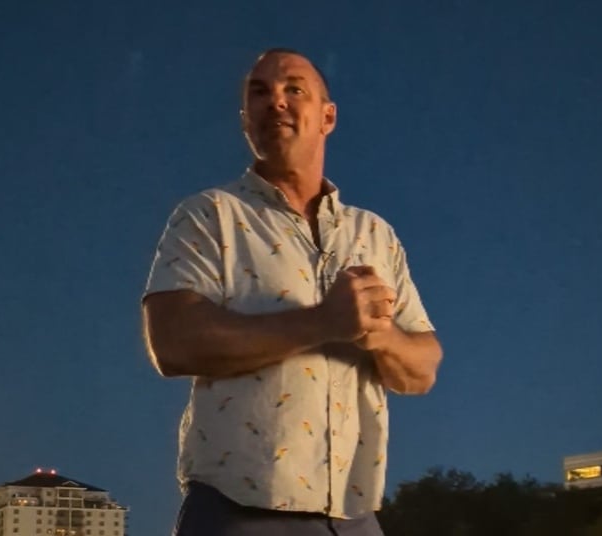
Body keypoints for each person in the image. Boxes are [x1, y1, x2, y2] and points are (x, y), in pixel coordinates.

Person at [141, 48, 443, 536]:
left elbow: (424, 367)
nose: (275, 102)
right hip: (238, 511)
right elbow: (172, 343)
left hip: (355, 517)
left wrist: (381, 337)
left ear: (328, 117)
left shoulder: (375, 235)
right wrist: (324, 322)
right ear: (245, 121)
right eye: (258, 94)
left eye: (292, 89)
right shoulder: (209, 215)